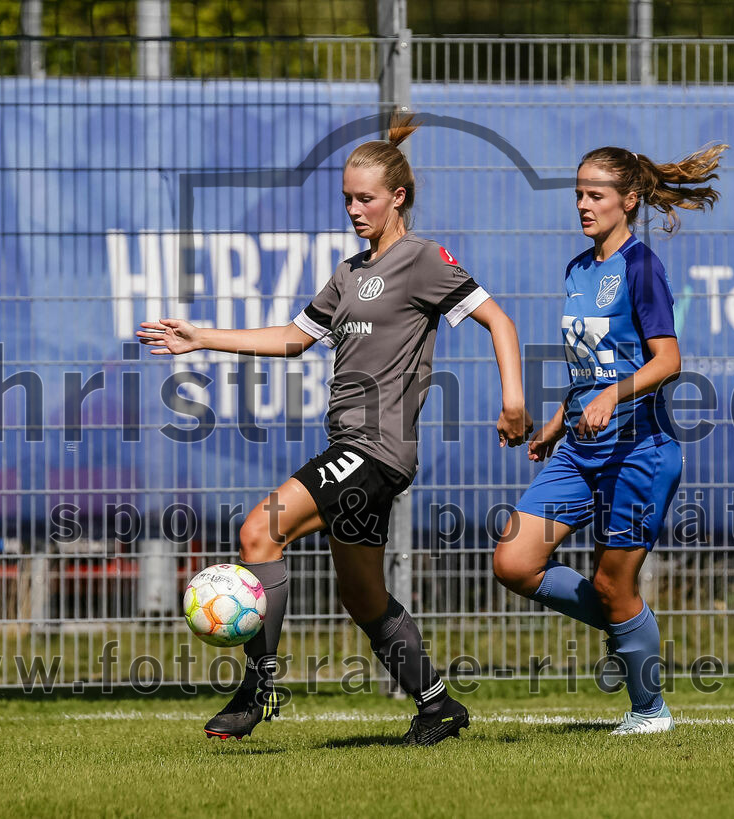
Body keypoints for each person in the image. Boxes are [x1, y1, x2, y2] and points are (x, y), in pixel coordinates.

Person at [139, 113, 533, 746]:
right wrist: (201, 337)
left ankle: (257, 690)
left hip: (376, 451)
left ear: (398, 198)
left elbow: (500, 322)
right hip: (349, 449)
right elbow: (296, 338)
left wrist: (514, 400)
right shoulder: (349, 273)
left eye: (365, 198)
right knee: (362, 595)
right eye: (347, 198)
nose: (353, 209)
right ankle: (437, 706)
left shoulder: (423, 260)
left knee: (260, 529)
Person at [492, 144, 727, 734]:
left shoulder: (642, 266)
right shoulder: (577, 269)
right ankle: (630, 624)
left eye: (596, 194)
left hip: (639, 452)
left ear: (629, 200)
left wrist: (613, 395)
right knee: (514, 561)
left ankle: (650, 710)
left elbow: (667, 361)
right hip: (580, 446)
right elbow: (590, 369)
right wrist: (557, 419)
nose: (583, 204)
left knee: (611, 583)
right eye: (578, 193)